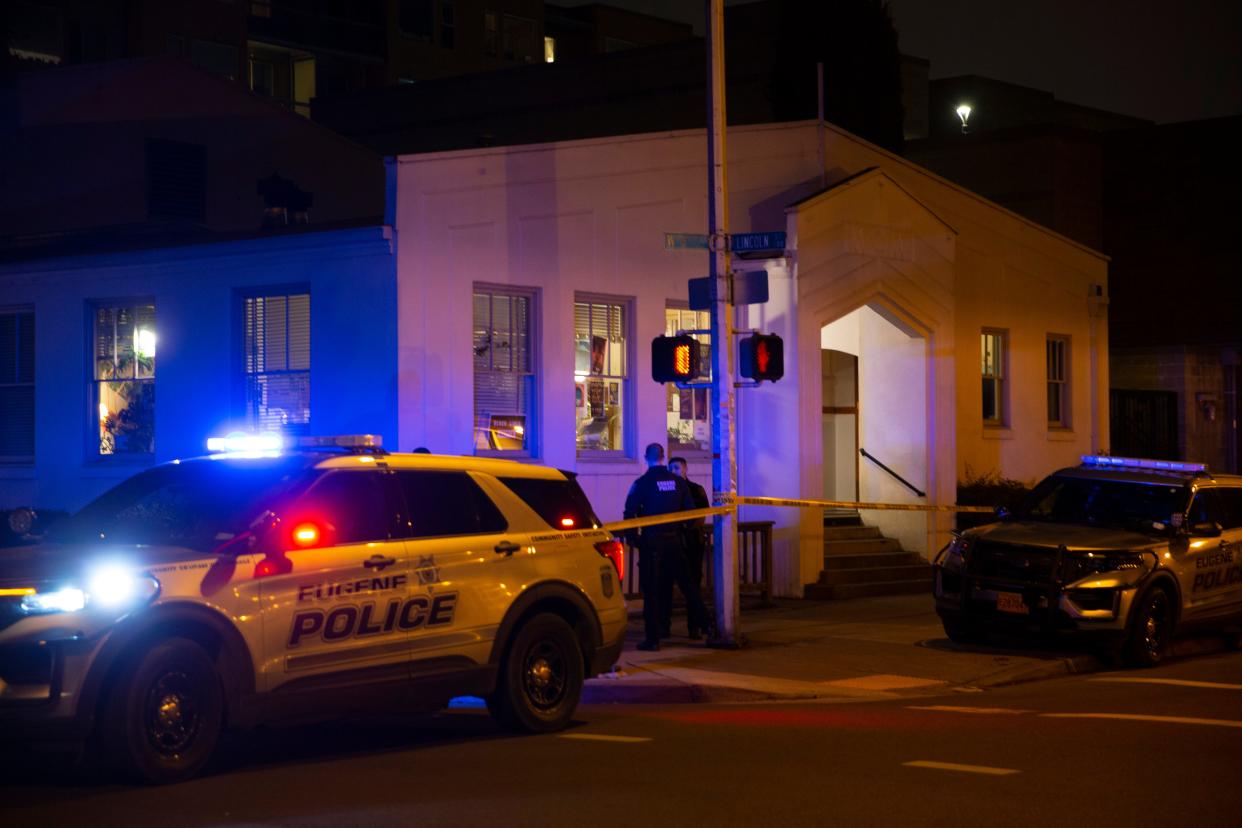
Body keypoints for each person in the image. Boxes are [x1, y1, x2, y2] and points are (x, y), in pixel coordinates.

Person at [624, 443, 710, 650]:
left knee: (652, 591)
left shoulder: (642, 483)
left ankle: (653, 639)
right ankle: (709, 627)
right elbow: (691, 514)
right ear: (664, 457)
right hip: (674, 542)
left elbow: (629, 513)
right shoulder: (678, 483)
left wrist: (634, 539)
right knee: (689, 587)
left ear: (646, 457)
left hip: (652, 543)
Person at [668, 456, 711, 638]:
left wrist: (687, 527)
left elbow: (702, 515)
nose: (674, 472)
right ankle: (665, 627)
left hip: (692, 543)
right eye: (671, 468)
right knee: (668, 585)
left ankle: (694, 626)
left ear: (685, 469)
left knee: (692, 584)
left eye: (677, 468)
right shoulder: (668, 491)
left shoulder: (696, 490)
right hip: (674, 542)